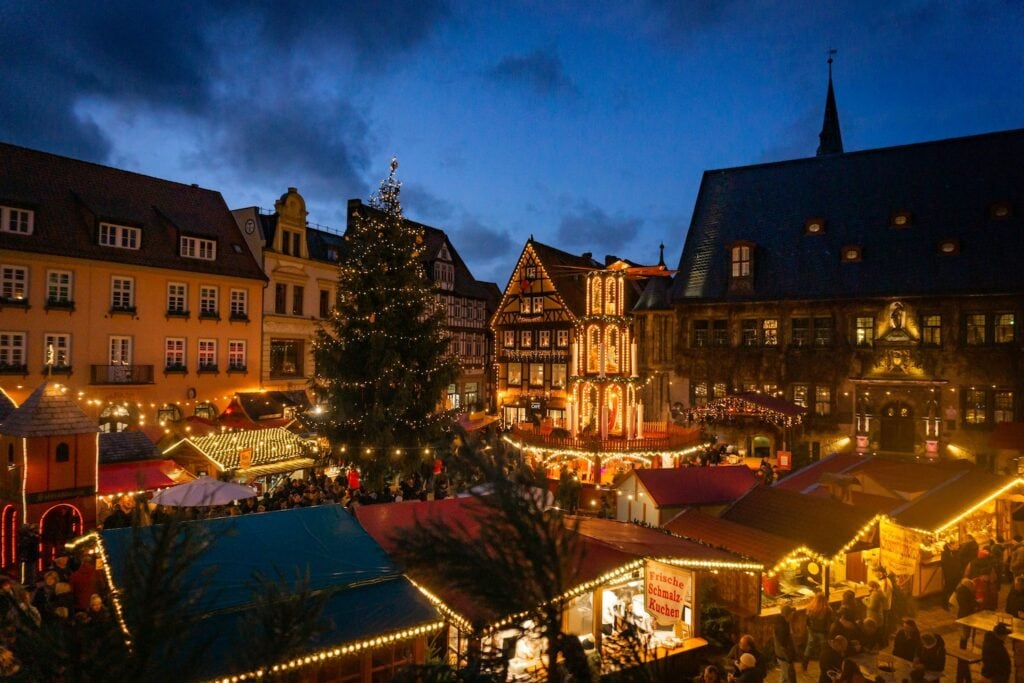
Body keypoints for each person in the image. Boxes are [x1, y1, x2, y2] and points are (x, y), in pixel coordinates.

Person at [804, 592, 832, 668]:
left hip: (812, 630)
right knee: (823, 648)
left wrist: (809, 629)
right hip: (822, 632)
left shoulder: (810, 608)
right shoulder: (827, 610)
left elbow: (807, 621)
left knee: (809, 646)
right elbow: (829, 622)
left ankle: (805, 664)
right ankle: (824, 663)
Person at [773, 605, 797, 683]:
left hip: (781, 656)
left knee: (784, 676)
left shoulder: (783, 623)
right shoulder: (782, 629)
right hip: (784, 657)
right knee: (790, 677)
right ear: (788, 615)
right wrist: (789, 659)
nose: (793, 615)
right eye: (791, 613)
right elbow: (783, 647)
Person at [954, 577, 978, 649]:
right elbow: (965, 605)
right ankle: (963, 649)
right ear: (968, 585)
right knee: (965, 635)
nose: (973, 588)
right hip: (965, 616)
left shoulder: (963, 591)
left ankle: (963, 648)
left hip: (964, 615)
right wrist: (975, 603)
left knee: (965, 634)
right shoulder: (964, 592)